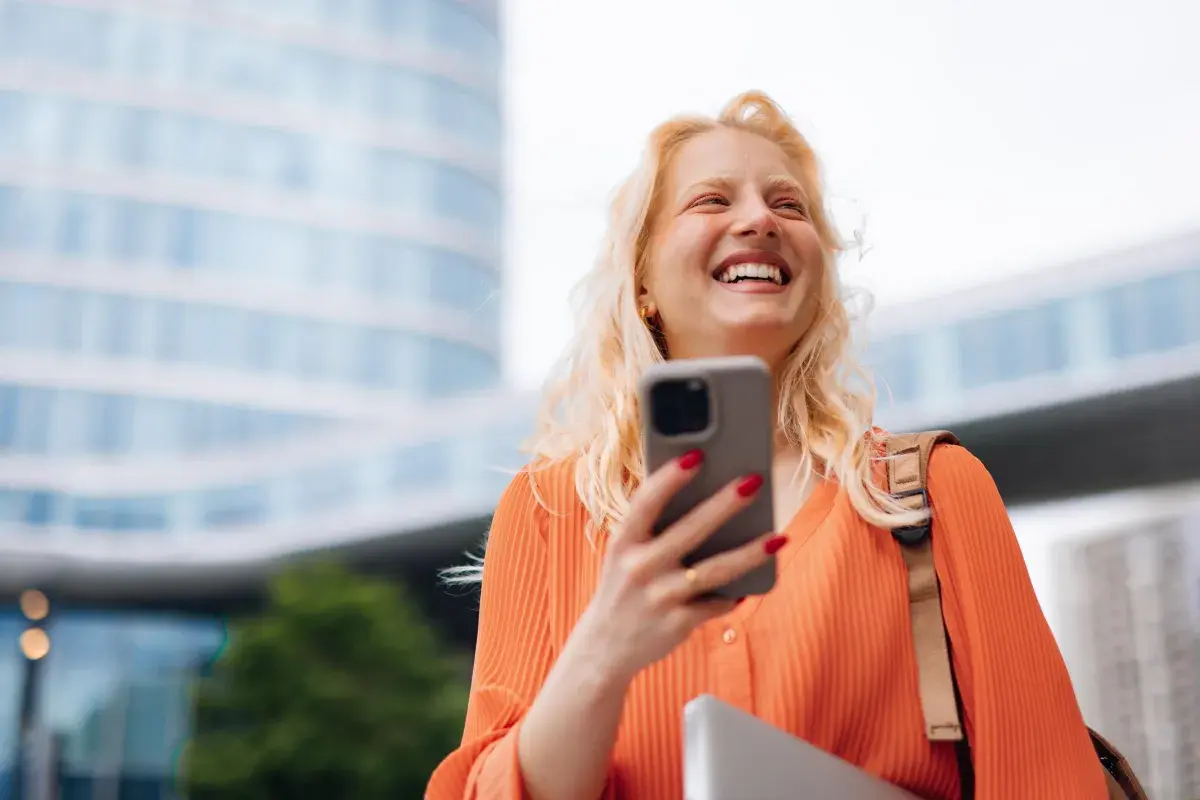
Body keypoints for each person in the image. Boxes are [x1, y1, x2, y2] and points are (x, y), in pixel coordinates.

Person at [426, 91, 1108, 800]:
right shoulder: (547, 512)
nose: (758, 220)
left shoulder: (932, 493)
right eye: (711, 201)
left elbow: (1048, 782)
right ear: (643, 281)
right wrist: (603, 650)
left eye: (789, 206)